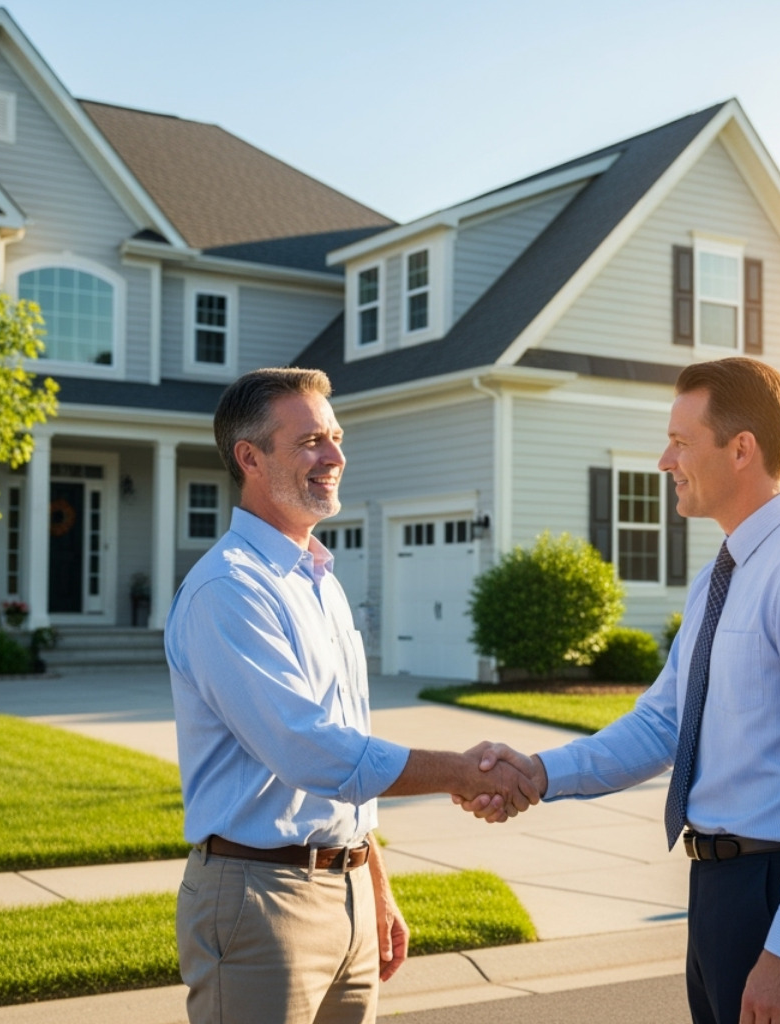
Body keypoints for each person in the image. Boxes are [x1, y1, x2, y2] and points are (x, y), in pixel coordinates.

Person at [466, 356, 780, 1024]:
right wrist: (539, 773)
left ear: (741, 449)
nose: (665, 460)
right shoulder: (722, 575)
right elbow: (664, 725)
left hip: (779, 895)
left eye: (682, 442)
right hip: (720, 892)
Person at [166, 367, 538, 1024]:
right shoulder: (229, 589)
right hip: (260, 900)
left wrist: (372, 880)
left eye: (334, 437)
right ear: (250, 458)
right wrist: (458, 770)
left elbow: (346, 751)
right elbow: (311, 750)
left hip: (347, 895)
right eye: (310, 441)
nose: (335, 456)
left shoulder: (319, 579)